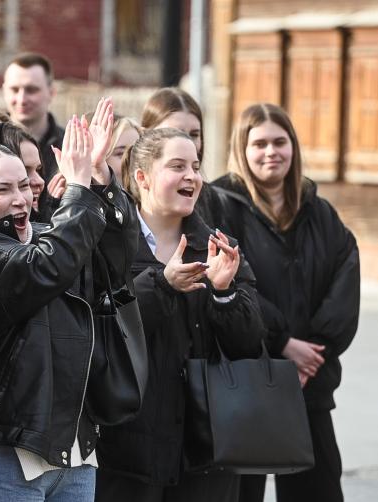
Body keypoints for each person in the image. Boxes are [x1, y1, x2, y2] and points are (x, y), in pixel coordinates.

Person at [0, 113, 136, 502]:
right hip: (6, 451)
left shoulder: (50, 233)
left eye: (23, 185)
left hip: (76, 452)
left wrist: (99, 177)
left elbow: (116, 258)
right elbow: (46, 266)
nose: (20, 198)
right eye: (2, 189)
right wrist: (79, 189)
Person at [95, 127, 265, 502]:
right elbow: (102, 330)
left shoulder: (219, 247)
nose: (192, 176)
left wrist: (224, 293)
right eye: (177, 166)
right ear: (142, 177)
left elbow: (249, 344)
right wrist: (163, 284)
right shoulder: (108, 245)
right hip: (129, 448)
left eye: (196, 167)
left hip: (207, 446)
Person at [213, 103, 360, 502]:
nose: (270, 152)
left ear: (293, 146)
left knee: (319, 491)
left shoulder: (319, 211)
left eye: (280, 142)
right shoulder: (220, 204)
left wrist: (314, 350)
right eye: (259, 143)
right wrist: (281, 342)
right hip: (246, 382)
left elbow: (345, 276)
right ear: (242, 149)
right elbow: (231, 282)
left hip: (309, 383)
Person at [140, 87, 229, 232]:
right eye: (174, 133)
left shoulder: (212, 200)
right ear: (145, 135)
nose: (187, 142)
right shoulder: (122, 200)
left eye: (194, 134)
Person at [2, 52, 64, 184]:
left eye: (31, 90)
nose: (22, 99)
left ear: (51, 93)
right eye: (14, 89)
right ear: (4, 91)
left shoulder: (69, 148)